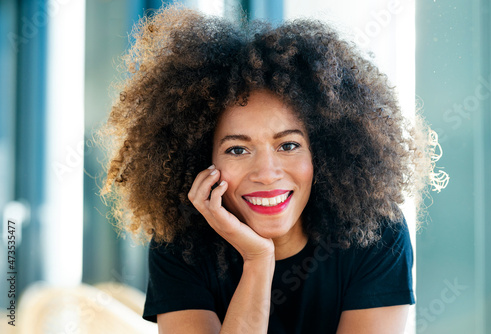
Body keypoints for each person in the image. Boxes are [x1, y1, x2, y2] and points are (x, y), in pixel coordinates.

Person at [98, 4, 442, 333]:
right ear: (203, 161)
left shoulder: (376, 234)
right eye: (237, 149)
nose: (266, 172)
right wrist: (258, 260)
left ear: (322, 153)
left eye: (288, 145)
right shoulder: (182, 245)